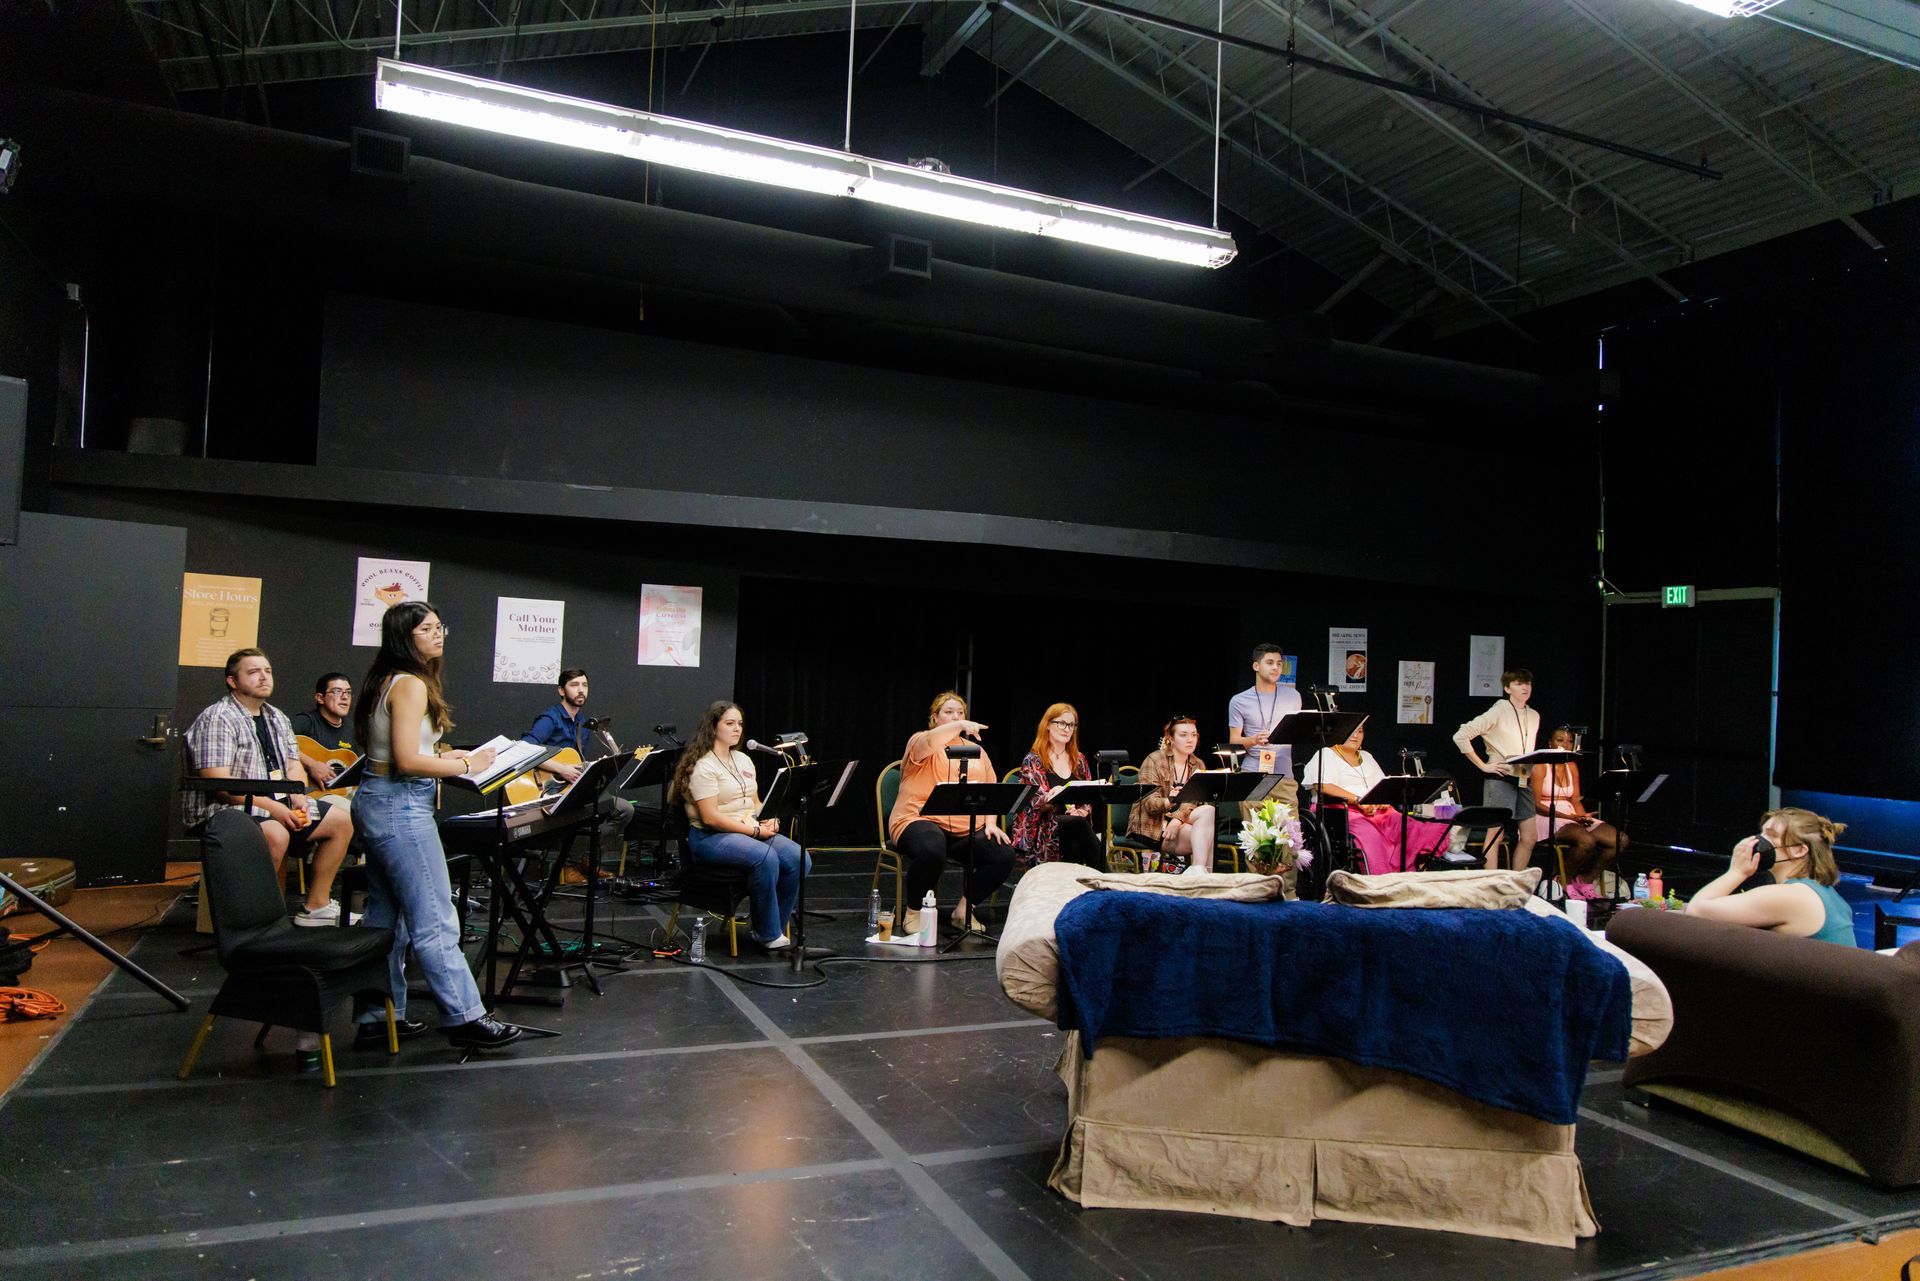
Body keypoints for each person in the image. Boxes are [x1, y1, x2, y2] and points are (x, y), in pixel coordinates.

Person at [350, 602, 522, 1050]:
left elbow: (394, 750)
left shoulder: (385, 679)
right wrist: (466, 764)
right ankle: (465, 1017)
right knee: (435, 918)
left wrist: (449, 755)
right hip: (401, 806)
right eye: (426, 629)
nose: (438, 634)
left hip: (376, 799)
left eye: (439, 626)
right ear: (404, 638)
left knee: (385, 918)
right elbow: (408, 762)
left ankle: (377, 1017)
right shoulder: (410, 684)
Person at [181, 648, 354, 927]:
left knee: (342, 821)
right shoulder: (218, 717)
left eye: (267, 671)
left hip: (275, 803)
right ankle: (253, 922)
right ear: (232, 681)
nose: (264, 677)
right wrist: (274, 807)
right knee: (276, 833)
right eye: (253, 672)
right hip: (225, 807)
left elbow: (293, 764)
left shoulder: (277, 717)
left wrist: (297, 795)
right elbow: (219, 784)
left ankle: (316, 907)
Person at [668, 700, 809, 950]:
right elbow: (711, 818)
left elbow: (754, 802)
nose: (737, 729)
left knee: (800, 858)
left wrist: (768, 817)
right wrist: (755, 830)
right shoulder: (703, 766)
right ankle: (767, 933)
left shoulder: (743, 759)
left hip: (746, 830)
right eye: (730, 723)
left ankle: (774, 926)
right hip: (710, 838)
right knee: (765, 856)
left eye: (740, 724)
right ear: (713, 727)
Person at [887, 690, 1016, 937]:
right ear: (935, 717)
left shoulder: (976, 750)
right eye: (949, 712)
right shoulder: (920, 741)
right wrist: (958, 725)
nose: (956, 717)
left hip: (964, 828)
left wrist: (990, 823)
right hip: (917, 819)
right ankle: (914, 911)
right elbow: (930, 742)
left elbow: (990, 786)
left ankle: (964, 911)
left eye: (960, 713)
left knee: (1003, 854)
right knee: (932, 847)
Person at [520, 668, 636, 876]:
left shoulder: (583, 724)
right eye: (574, 685)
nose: (581, 690)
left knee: (624, 809)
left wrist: (594, 767)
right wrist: (561, 769)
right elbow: (525, 748)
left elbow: (574, 760)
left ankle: (587, 860)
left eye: (585, 685)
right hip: (548, 791)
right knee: (575, 812)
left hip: (571, 788)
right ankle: (567, 866)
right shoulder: (550, 719)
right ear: (561, 690)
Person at [1301, 719, 1451, 875]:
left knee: (1410, 827)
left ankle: (1406, 873)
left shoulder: (1367, 756)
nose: (1356, 735)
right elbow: (1322, 785)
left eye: (1360, 731)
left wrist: (1383, 799)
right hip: (1342, 811)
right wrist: (1357, 800)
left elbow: (1381, 785)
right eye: (1352, 731)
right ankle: (1380, 880)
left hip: (1376, 811)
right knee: (1372, 837)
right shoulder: (1326, 754)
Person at [1686, 808, 1855, 946]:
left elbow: (1697, 911)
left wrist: (1737, 872)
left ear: (1799, 850)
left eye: (1771, 835)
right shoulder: (1825, 894)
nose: (1758, 840)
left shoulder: (1792, 895)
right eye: (1762, 833)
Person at [1452, 666, 1542, 870]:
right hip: (1501, 777)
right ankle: (1492, 881)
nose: (1525, 688)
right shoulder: (1499, 709)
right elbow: (1461, 736)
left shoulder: (1534, 715)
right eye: (1519, 684)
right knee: (1495, 834)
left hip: (1523, 777)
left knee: (1530, 836)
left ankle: (1517, 880)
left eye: (1528, 683)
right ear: (1508, 688)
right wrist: (1483, 766)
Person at [1527, 725, 1626, 898]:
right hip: (1546, 816)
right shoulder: (1541, 766)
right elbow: (1535, 804)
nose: (1565, 744)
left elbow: (1574, 799)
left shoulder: (1571, 766)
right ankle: (1562, 880)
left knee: (1619, 839)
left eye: (1569, 741)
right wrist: (1571, 817)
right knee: (1586, 840)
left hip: (1571, 815)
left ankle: (1586, 879)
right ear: (1550, 743)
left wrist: (1582, 816)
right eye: (1560, 740)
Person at [1010, 703, 1102, 867]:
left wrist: (1081, 811)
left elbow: (1088, 795)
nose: (1067, 729)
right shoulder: (1034, 760)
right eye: (1061, 723)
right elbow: (1036, 804)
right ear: (1047, 725)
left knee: (1076, 839)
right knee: (1078, 825)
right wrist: (1057, 794)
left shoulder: (1079, 759)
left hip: (1071, 827)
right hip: (1041, 826)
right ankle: (1104, 873)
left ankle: (1081, 880)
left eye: (1071, 725)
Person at [1127, 715, 1218, 872]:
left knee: (1209, 810)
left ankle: (1198, 871)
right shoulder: (1155, 760)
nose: (1190, 740)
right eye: (1183, 735)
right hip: (1153, 826)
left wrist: (1176, 821)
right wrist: (1169, 801)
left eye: (1194, 735)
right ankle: (1204, 875)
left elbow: (1194, 800)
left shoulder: (1198, 764)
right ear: (1171, 738)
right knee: (1203, 836)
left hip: (1179, 822)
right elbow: (1148, 802)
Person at [1226, 643, 1302, 808]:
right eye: (1270, 663)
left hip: (1284, 775)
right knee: (1254, 824)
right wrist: (1254, 740)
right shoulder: (1239, 700)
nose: (1275, 667)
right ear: (1256, 666)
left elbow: (1296, 733)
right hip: (1253, 774)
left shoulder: (1293, 696)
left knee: (1290, 824)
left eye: (1279, 664)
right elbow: (1234, 741)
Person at [291, 671, 356, 787]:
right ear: (320, 698)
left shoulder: (351, 728)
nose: (345, 697)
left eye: (348, 692)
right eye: (337, 691)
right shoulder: (306, 721)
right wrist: (312, 765)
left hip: (341, 792)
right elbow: (278, 742)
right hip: (309, 791)